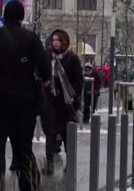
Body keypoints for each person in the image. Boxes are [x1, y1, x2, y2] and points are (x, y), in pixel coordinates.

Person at [0, 1, 50, 190]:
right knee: (23, 148)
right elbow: (44, 69)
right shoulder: (31, 39)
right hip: (23, 103)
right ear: (21, 16)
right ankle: (28, 184)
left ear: (4, 15)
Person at [42, 29, 84, 175]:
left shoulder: (72, 59)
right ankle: (49, 162)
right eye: (53, 40)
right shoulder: (47, 57)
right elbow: (41, 74)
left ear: (64, 41)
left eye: (58, 40)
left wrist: (73, 96)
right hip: (50, 102)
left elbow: (78, 81)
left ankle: (70, 163)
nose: (55, 43)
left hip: (66, 103)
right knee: (50, 133)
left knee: (67, 135)